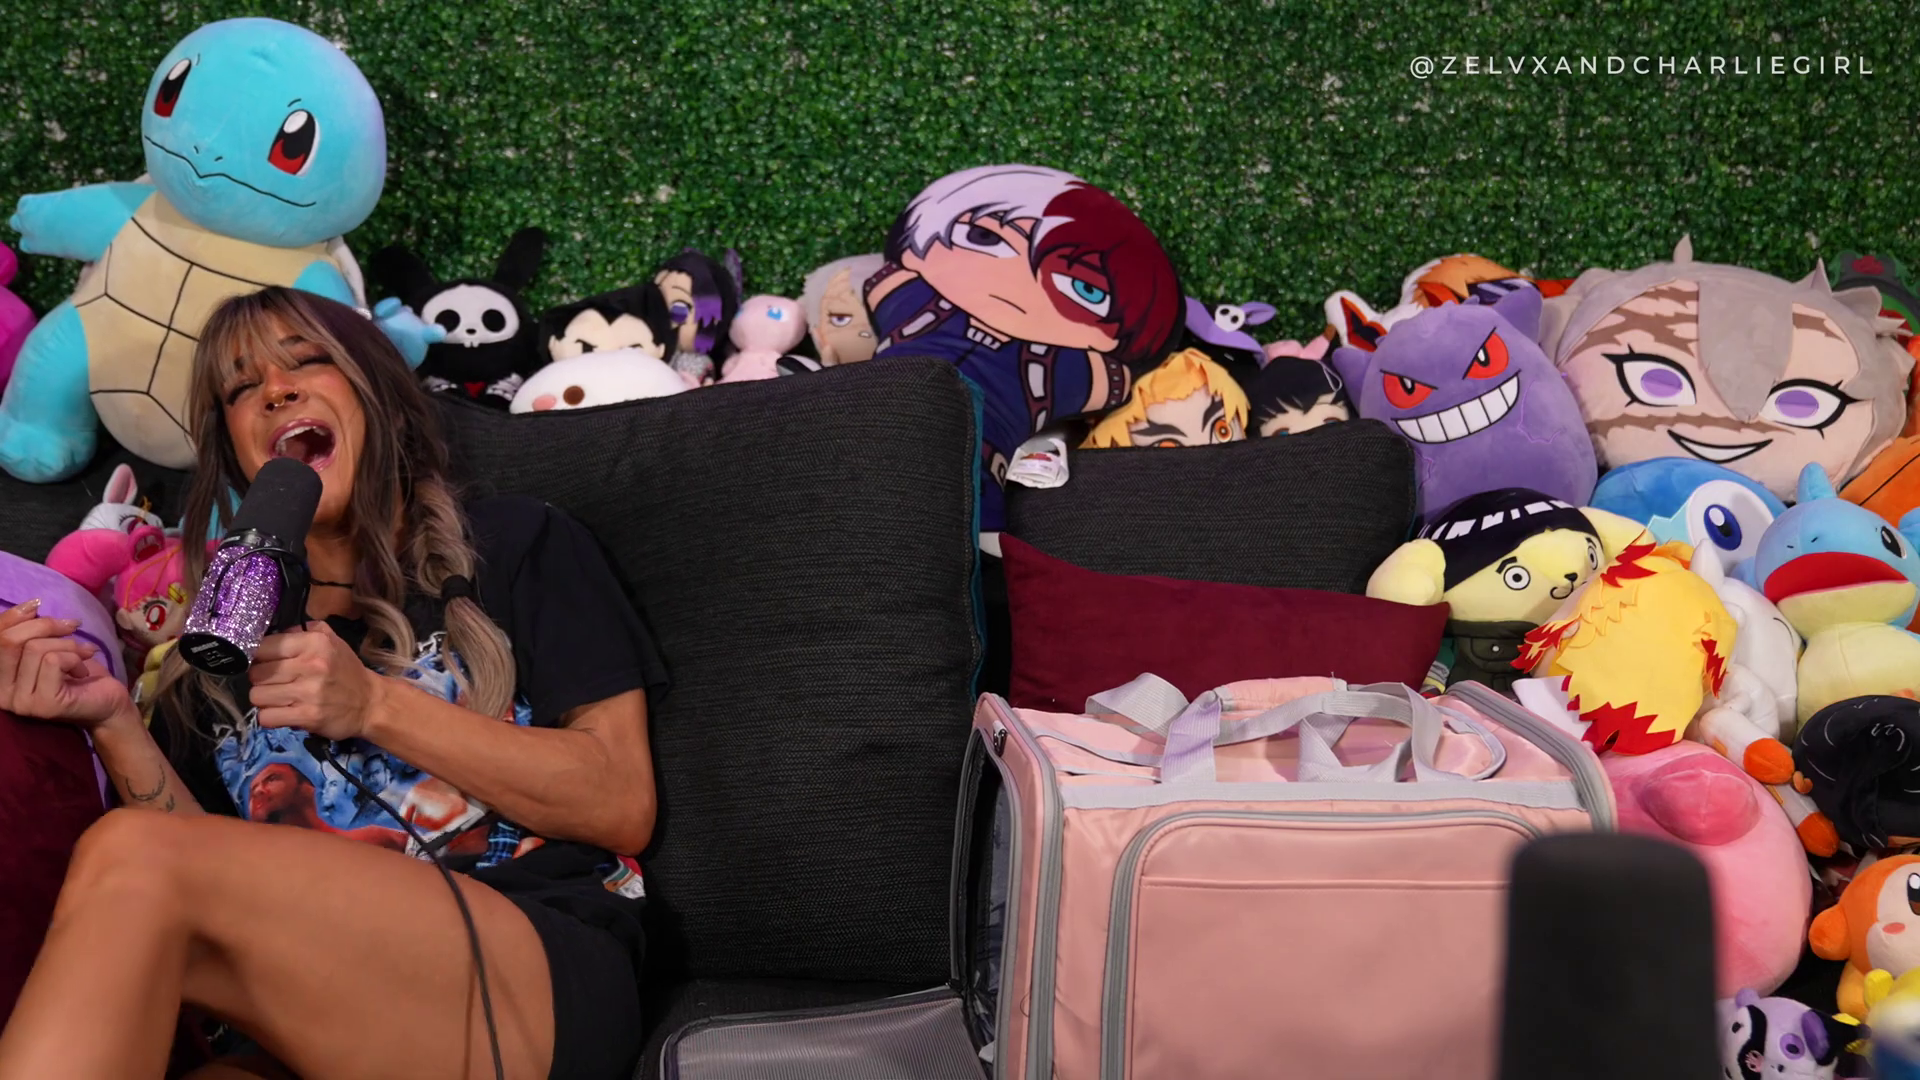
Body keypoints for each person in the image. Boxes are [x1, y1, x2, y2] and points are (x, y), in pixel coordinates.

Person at [0, 286, 666, 1080]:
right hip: (319, 1019)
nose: (274, 391)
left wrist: (375, 705)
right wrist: (112, 720)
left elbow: (620, 803)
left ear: (378, 395)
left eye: (307, 360)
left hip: (530, 976)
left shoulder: (514, 544)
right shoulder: (219, 645)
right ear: (236, 456)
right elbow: (206, 885)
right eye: (241, 387)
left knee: (132, 853)